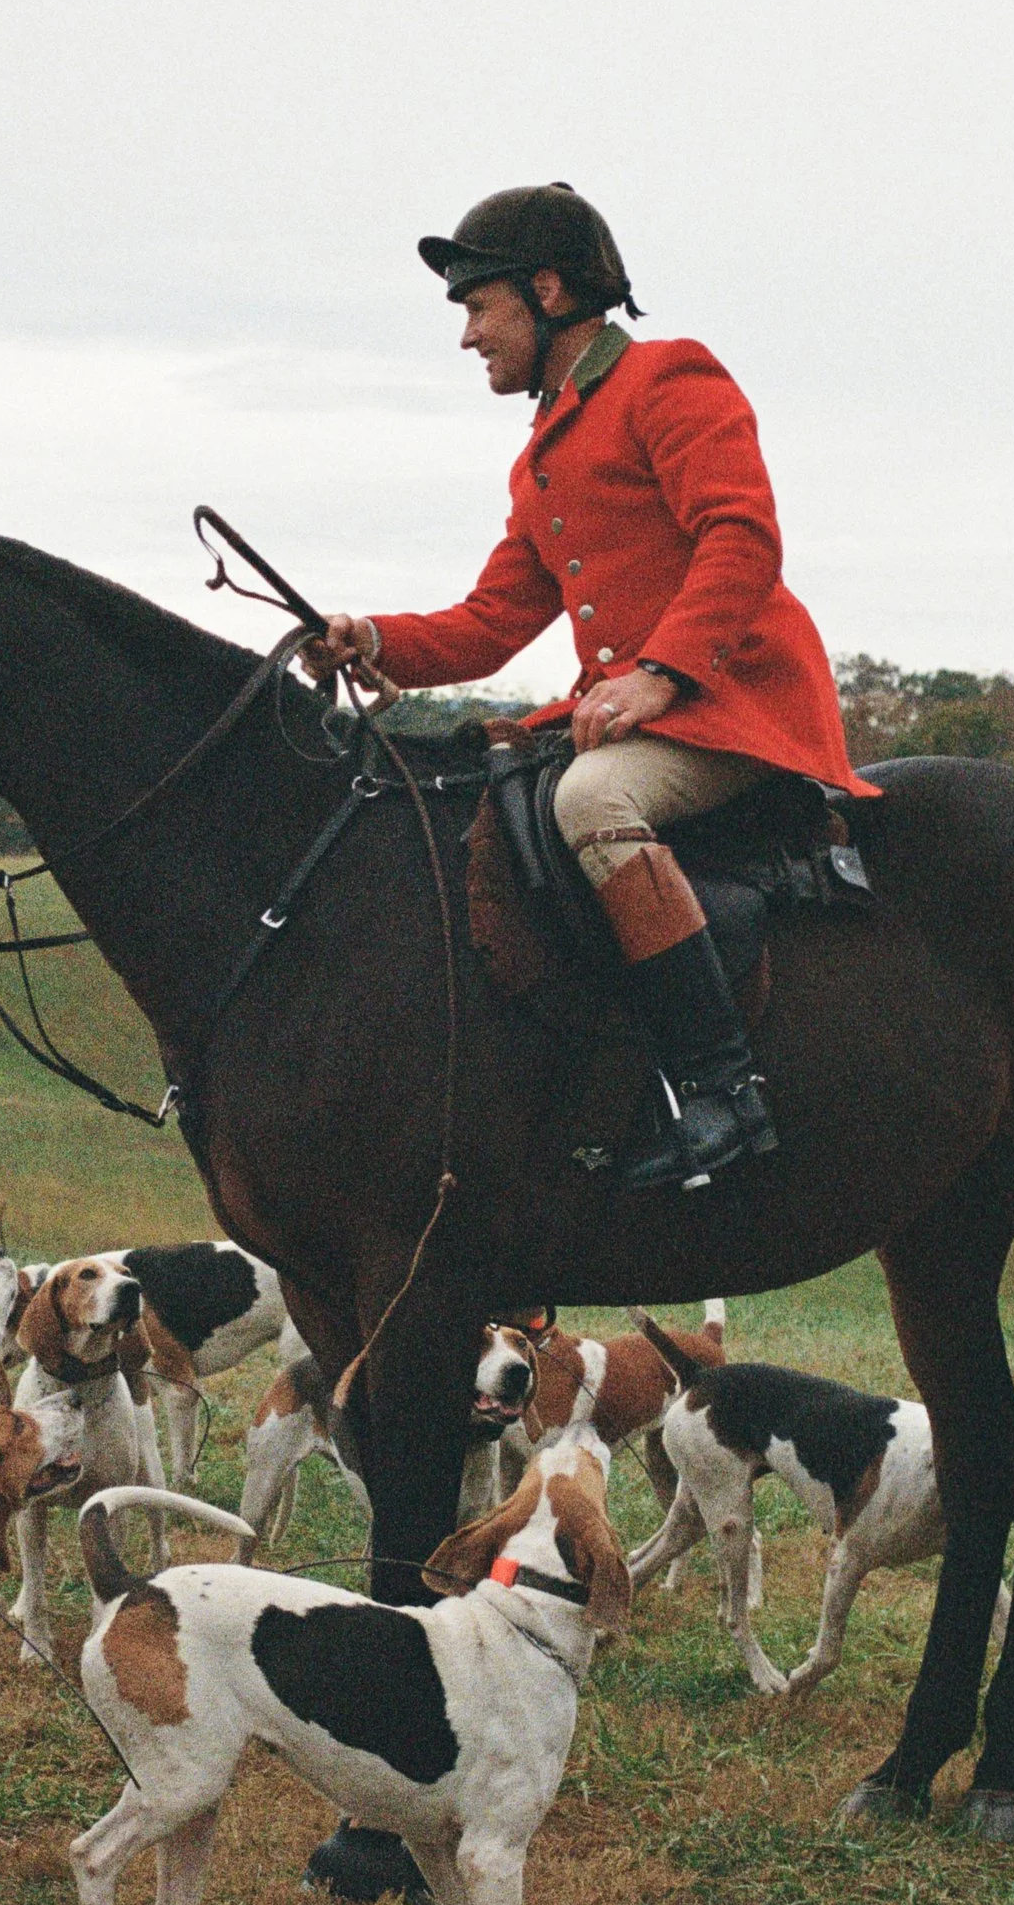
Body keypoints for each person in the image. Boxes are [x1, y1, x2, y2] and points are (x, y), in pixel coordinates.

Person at [308, 183, 873, 1186]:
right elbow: (489, 624)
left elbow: (740, 536)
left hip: (737, 705)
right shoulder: (544, 456)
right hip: (638, 711)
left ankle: (719, 1090)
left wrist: (660, 673)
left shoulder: (671, 380)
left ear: (548, 289)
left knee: (589, 796)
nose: (468, 336)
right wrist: (373, 640)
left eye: (478, 308)